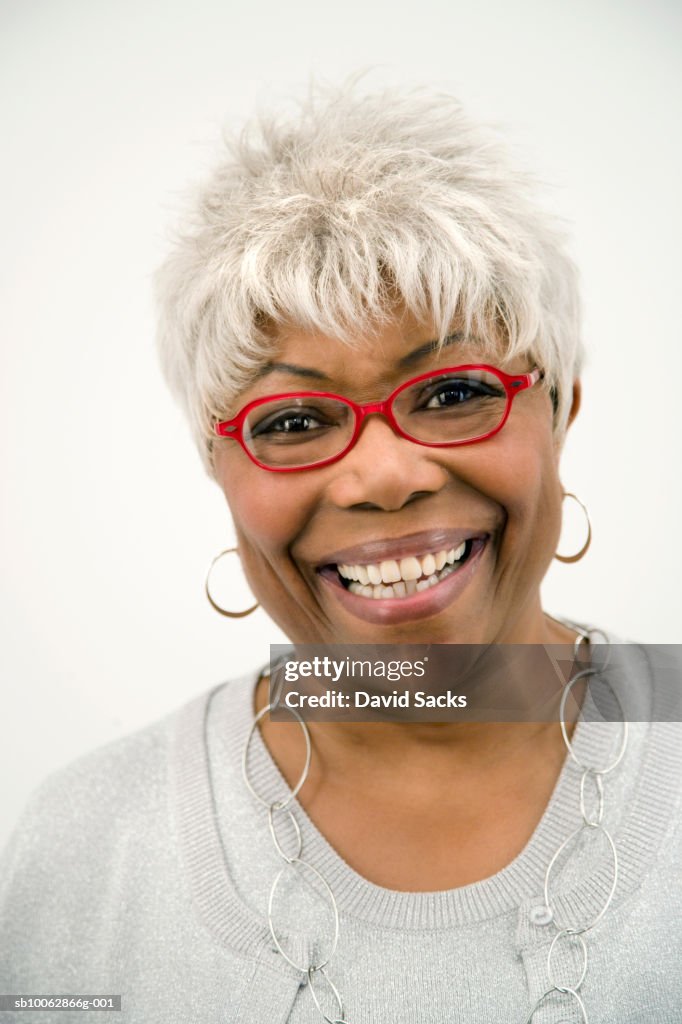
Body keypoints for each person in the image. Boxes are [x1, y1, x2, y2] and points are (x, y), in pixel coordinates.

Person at [1, 83, 680, 1024]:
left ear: (561, 405)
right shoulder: (82, 845)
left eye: (451, 392)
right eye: (293, 418)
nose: (384, 476)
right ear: (217, 465)